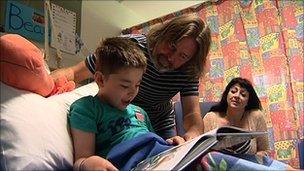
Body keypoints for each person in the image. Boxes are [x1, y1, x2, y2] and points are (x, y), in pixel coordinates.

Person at [52, 14, 211, 142]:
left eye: (182, 56)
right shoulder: (129, 47)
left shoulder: (188, 70)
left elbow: (191, 114)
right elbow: (74, 73)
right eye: (172, 46)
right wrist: (45, 82)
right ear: (164, 33)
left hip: (159, 123)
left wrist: (194, 135)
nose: (171, 58)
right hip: (120, 116)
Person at [69, 37, 154, 171]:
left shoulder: (140, 112)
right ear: (100, 79)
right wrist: (88, 163)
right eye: (125, 86)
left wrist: (174, 144)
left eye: (137, 85)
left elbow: (154, 141)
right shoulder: (87, 108)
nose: (133, 92)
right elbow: (81, 159)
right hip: (128, 160)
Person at [203, 77, 270, 156]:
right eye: (233, 91)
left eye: (243, 94)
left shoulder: (256, 116)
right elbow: (202, 150)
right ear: (227, 95)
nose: (237, 96)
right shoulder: (210, 117)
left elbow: (264, 150)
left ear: (248, 102)